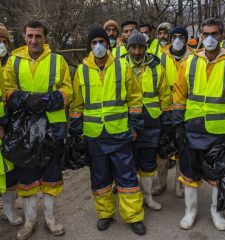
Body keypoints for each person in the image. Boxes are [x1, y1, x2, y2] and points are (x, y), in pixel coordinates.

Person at [173, 18, 225, 231]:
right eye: (205, 34)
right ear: (200, 36)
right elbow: (179, 94)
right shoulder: (189, 62)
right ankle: (190, 211)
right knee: (189, 173)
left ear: (222, 36)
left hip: (219, 130)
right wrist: (177, 125)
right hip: (192, 128)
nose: (209, 38)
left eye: (214, 34)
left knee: (217, 173)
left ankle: (217, 211)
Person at [70, 26, 146, 235]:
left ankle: (133, 216)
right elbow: (77, 105)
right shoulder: (81, 71)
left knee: (127, 178)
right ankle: (105, 214)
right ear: (89, 46)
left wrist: (134, 126)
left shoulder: (122, 67)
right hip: (94, 136)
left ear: (108, 44)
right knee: (100, 178)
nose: (98, 46)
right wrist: (77, 132)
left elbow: (135, 99)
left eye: (101, 42)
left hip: (120, 133)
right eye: (94, 42)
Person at [4, 20, 72, 239]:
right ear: (24, 36)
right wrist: (25, 98)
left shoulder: (57, 61)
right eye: (30, 36)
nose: (34, 40)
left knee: (52, 175)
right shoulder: (13, 61)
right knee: (27, 176)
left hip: (52, 127)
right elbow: (7, 91)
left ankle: (51, 220)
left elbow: (67, 91)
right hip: (24, 129)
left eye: (38, 36)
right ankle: (30, 220)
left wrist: (45, 99)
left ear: (45, 38)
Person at [123, 30, 172, 211]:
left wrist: (167, 125)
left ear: (145, 48)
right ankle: (134, 200)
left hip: (151, 122)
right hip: (127, 122)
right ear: (128, 48)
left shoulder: (156, 67)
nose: (137, 52)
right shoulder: (119, 66)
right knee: (129, 162)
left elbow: (165, 98)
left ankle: (148, 197)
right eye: (133, 47)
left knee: (148, 162)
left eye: (140, 47)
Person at [152, 26, 194, 198]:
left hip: (186, 108)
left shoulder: (194, 56)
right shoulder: (161, 56)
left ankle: (180, 184)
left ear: (186, 39)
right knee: (162, 147)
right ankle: (160, 183)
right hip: (166, 108)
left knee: (182, 147)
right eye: (174, 37)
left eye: (181, 37)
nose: (177, 40)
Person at [0, 22, 23, 228]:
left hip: (9, 127)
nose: (1, 45)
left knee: (10, 171)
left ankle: (8, 208)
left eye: (3, 41)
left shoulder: (8, 65)